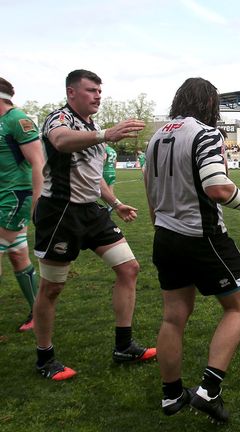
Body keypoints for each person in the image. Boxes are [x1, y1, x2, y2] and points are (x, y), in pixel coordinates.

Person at [146, 78, 240, 423]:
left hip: (165, 236)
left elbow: (150, 189)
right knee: (239, 307)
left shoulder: (156, 136)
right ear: (210, 103)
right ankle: (209, 391)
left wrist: (161, 225)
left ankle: (171, 395)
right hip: (202, 236)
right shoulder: (205, 134)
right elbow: (217, 187)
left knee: (173, 317)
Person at [33, 69, 154, 381]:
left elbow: (91, 172)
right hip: (60, 212)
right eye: (90, 90)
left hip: (91, 212)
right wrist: (106, 135)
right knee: (52, 287)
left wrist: (114, 203)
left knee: (129, 268)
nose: (97, 96)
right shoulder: (57, 119)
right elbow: (60, 142)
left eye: (99, 91)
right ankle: (45, 358)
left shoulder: (92, 126)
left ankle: (124, 346)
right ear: (71, 92)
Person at [0, 77, 44, 332]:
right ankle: (38, 312)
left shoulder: (18, 120)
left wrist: (36, 203)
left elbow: (38, 162)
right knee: (18, 254)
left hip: (14, 198)